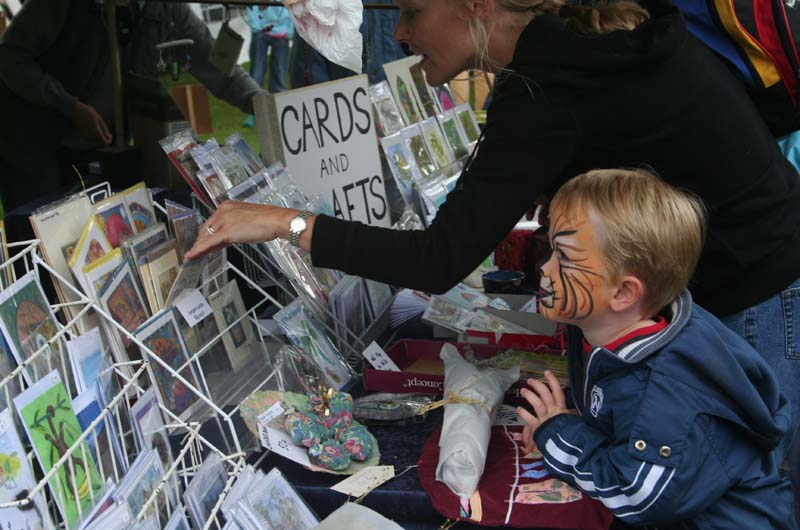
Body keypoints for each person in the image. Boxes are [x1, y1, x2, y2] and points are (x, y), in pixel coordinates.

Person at [186, 0, 800, 477]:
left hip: (748, 290)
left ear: (477, 5)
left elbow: (437, 258)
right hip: (754, 269)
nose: (398, 34)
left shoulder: (547, 86)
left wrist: (283, 222)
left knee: (742, 483)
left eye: (413, 12)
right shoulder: (579, 52)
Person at [515, 168, 795, 530]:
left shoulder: (664, 390)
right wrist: (571, 420)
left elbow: (637, 496)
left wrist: (557, 435)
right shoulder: (614, 334)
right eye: (550, 248)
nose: (544, 267)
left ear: (623, 293)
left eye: (564, 257)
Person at [0, 0, 263, 214]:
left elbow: (216, 63)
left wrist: (262, 105)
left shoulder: (167, 8)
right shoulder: (62, 5)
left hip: (98, 148)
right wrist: (70, 106)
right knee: (38, 230)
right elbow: (10, 57)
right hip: (32, 143)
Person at [241, 5, 294, 128]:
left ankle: (279, 111)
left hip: (282, 33)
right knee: (257, 73)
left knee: (279, 74)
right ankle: (253, 112)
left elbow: (292, 6)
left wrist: (289, 31)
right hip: (260, 31)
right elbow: (251, 6)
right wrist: (257, 27)